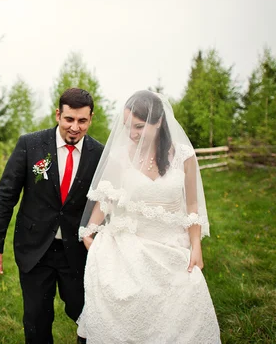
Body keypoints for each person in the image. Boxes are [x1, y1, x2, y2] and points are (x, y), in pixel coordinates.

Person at [77, 90, 221, 343]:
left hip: (171, 245)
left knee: (181, 310)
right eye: (127, 126)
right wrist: (89, 228)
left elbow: (192, 205)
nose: (132, 133)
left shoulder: (184, 156)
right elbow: (107, 197)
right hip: (127, 243)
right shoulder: (121, 155)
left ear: (159, 122)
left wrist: (196, 245)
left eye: (139, 126)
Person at [0, 88, 104, 344]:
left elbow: (107, 205)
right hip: (35, 249)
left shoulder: (100, 155)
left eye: (82, 121)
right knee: (36, 322)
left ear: (90, 118)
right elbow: (5, 197)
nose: (75, 127)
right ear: (58, 114)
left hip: (79, 252)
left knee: (89, 318)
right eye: (69, 119)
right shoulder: (30, 145)